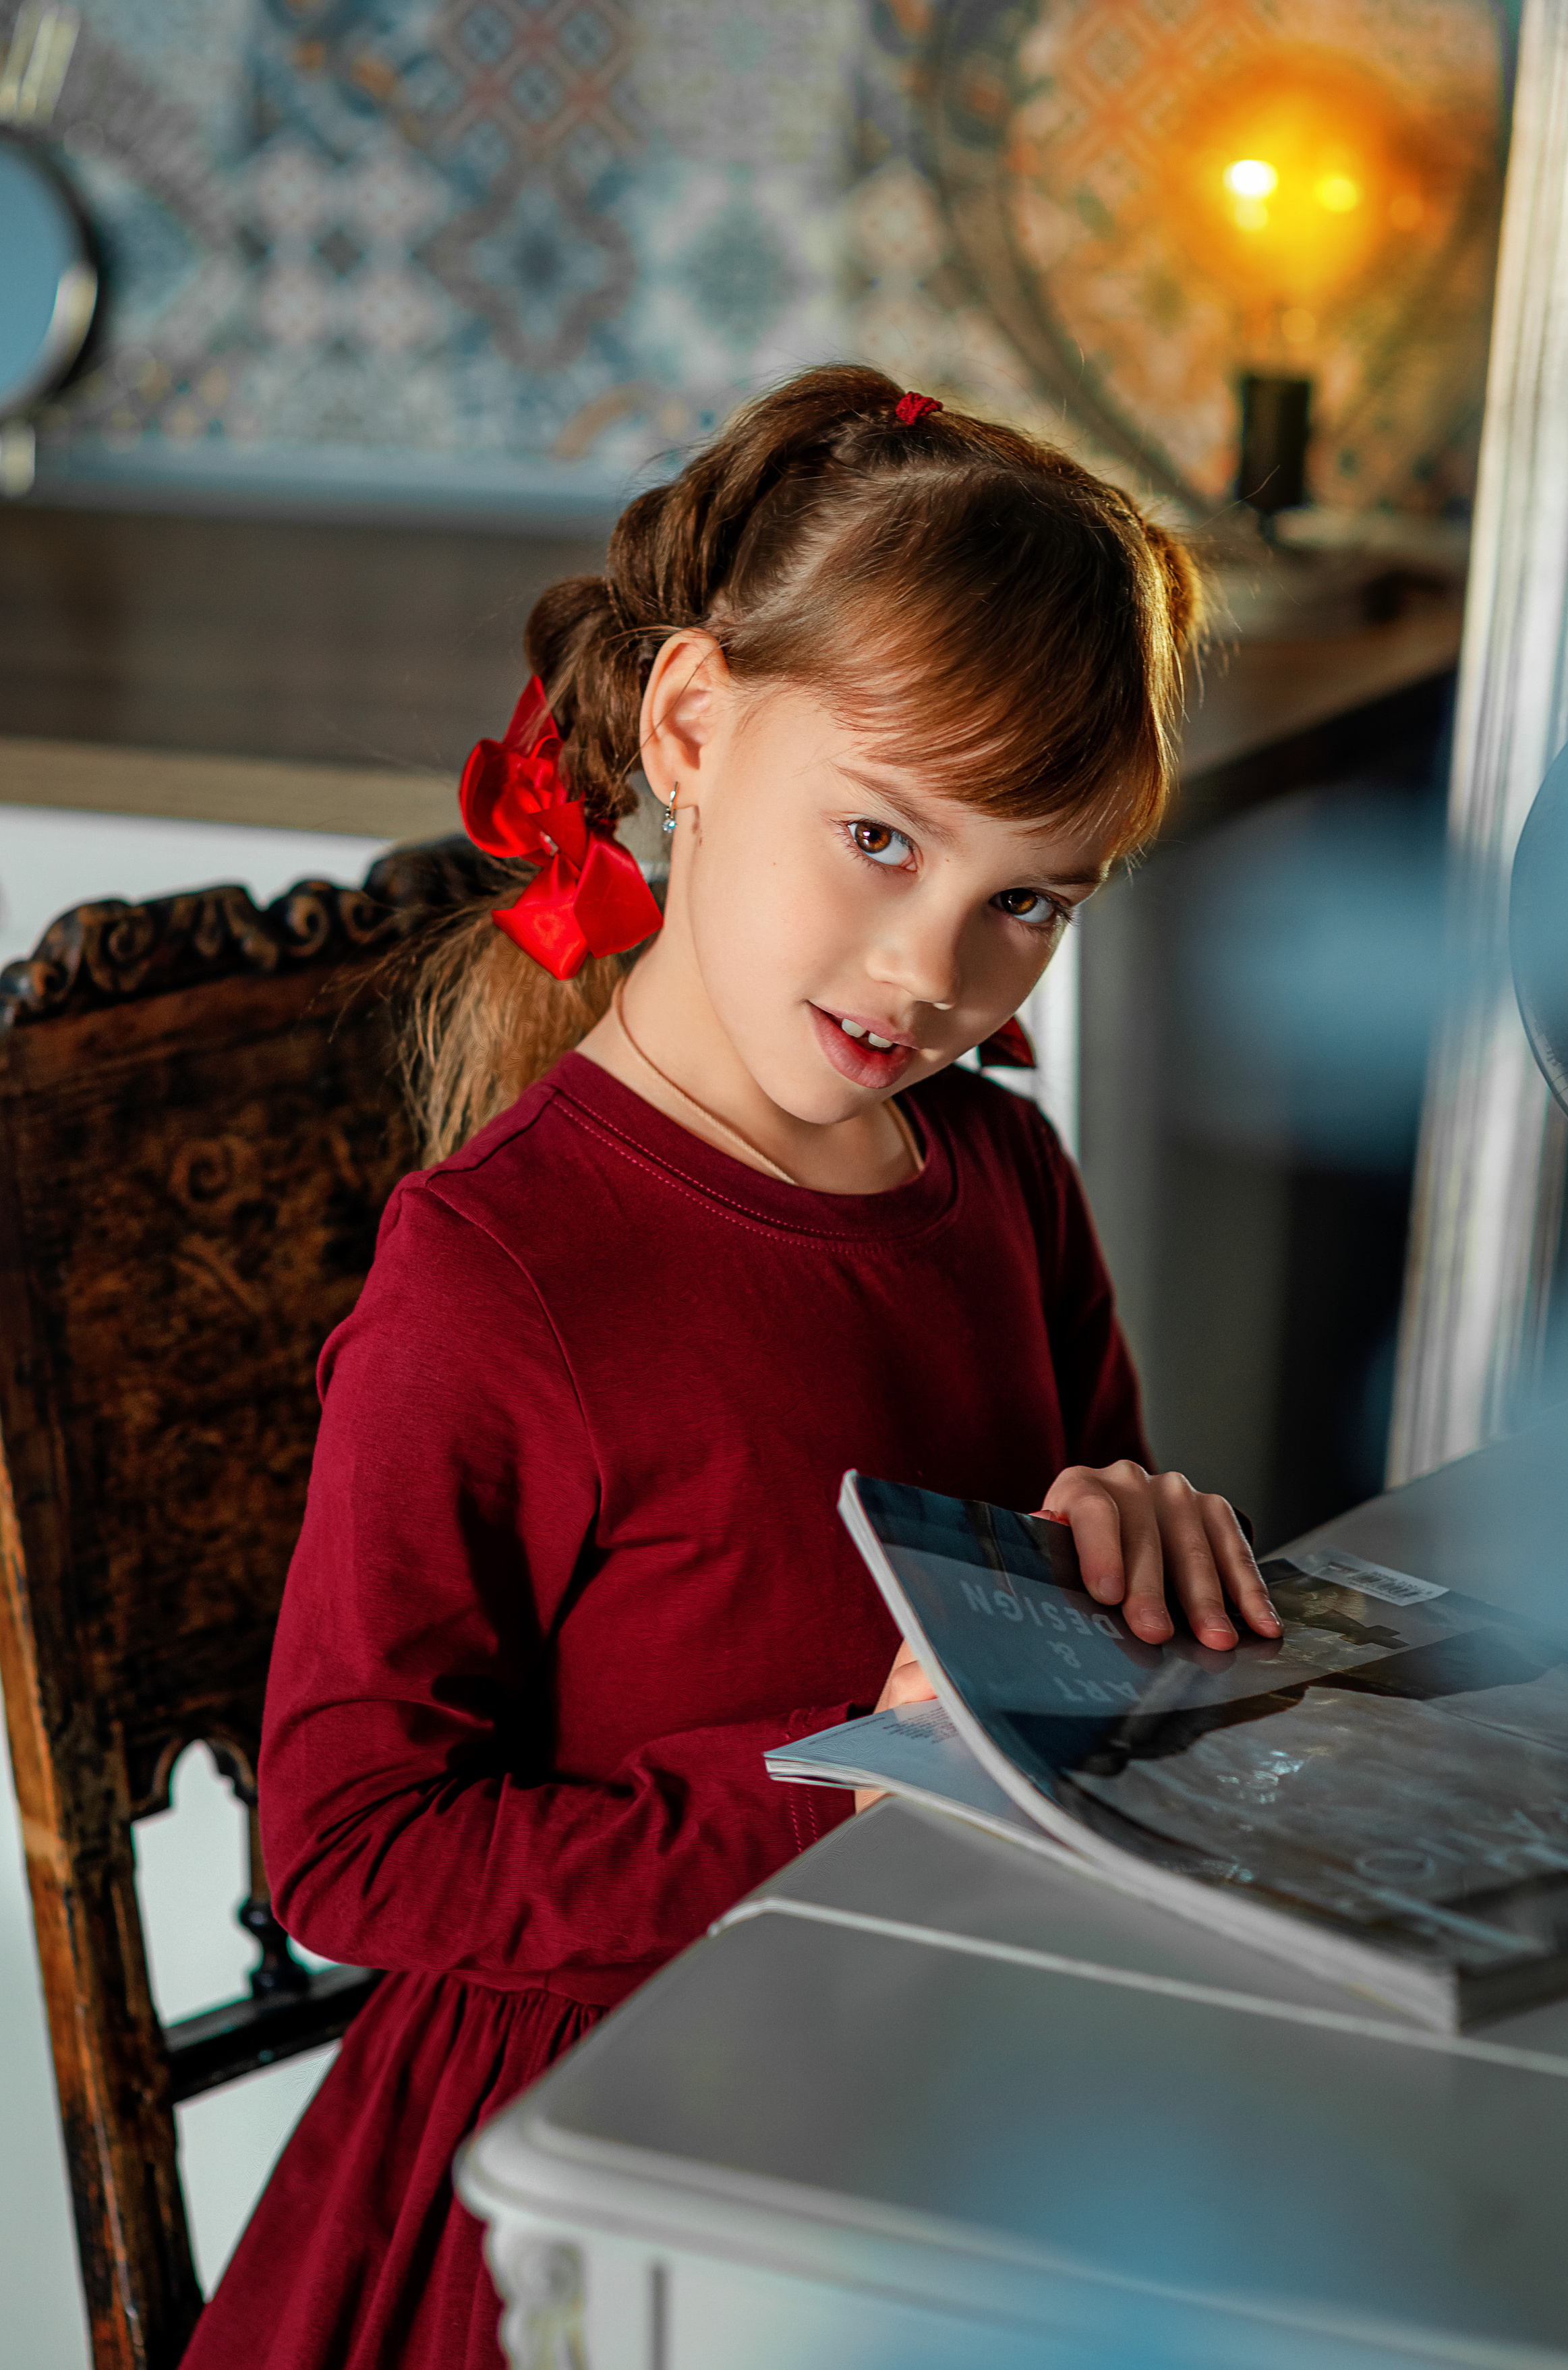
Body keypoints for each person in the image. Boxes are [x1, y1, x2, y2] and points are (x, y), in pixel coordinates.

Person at [181, 365, 1281, 2370]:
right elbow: (351, 1845)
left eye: (1023, 901)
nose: (935, 970)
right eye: (878, 837)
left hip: (937, 2078)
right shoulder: (497, 1278)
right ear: (693, 729)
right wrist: (849, 1788)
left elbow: (1067, 1598)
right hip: (603, 2164)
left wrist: (1130, 1540)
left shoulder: (1001, 1177)